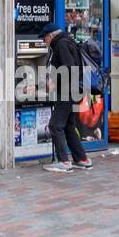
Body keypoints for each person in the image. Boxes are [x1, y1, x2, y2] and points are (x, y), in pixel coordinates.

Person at [41, 24, 92, 173]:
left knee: (55, 125)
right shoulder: (68, 41)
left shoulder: (61, 45)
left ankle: (63, 161)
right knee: (68, 126)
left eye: (44, 39)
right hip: (74, 90)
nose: (45, 43)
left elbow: (68, 68)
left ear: (50, 36)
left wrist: (53, 81)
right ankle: (82, 159)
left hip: (67, 92)